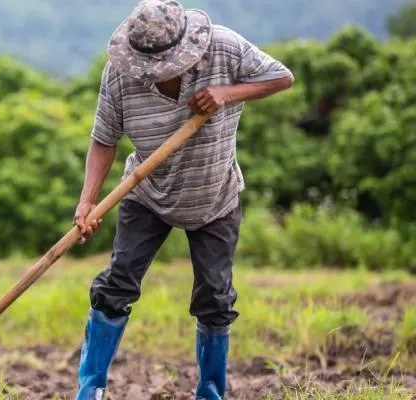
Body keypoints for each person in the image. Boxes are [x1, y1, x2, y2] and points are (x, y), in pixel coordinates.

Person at [72, 1, 295, 399]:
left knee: (215, 296)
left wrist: (227, 93)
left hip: (215, 196)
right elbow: (104, 139)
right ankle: (90, 391)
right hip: (146, 194)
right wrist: (87, 203)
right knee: (116, 286)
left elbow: (282, 78)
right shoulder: (121, 76)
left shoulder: (224, 48)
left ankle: (210, 393)